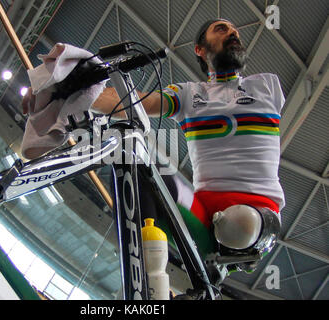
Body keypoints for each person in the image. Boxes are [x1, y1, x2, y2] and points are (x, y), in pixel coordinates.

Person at [22, 19, 284, 273]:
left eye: (235, 31)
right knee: (140, 169)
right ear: (200, 50)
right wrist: (63, 91)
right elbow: (133, 102)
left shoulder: (266, 86)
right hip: (203, 215)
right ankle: (149, 284)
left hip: (258, 214)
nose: (233, 33)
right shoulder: (190, 94)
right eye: (222, 29)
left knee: (240, 225)